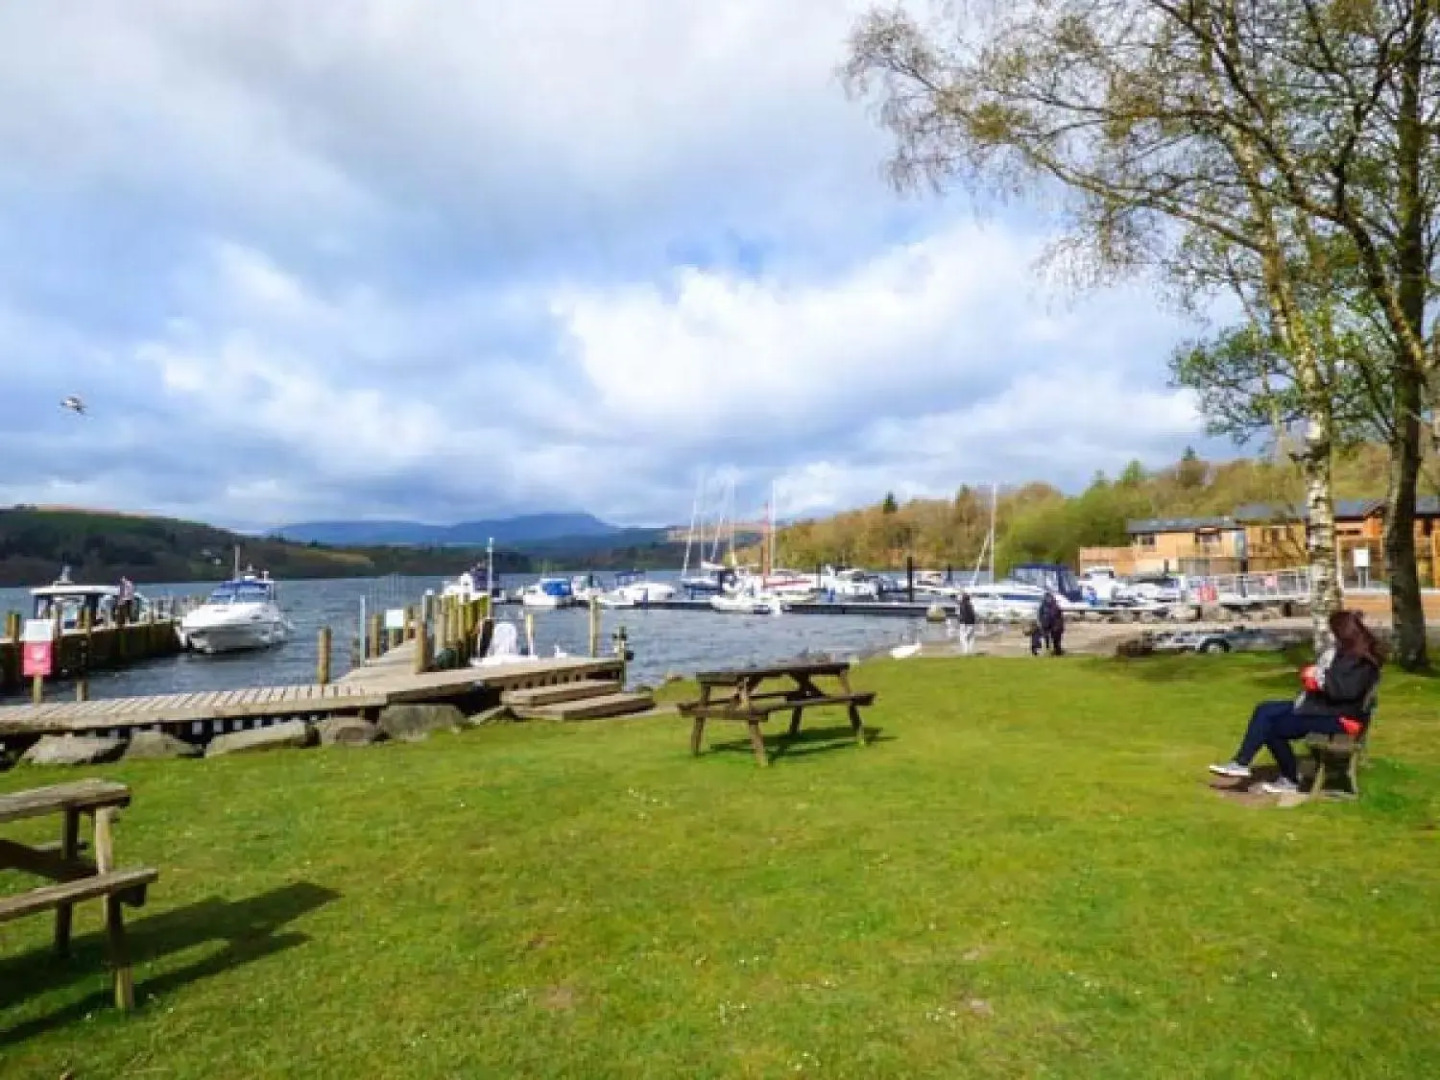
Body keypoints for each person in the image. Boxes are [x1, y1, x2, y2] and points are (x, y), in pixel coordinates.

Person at [1209, 610, 1382, 795]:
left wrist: (1316, 679)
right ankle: (1242, 763)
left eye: (1333, 631)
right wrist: (1318, 676)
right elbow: (1338, 684)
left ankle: (1285, 777)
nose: (1331, 636)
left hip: (1340, 718)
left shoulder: (1359, 660)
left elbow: (1343, 692)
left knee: (1270, 727)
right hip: (1328, 708)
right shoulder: (1350, 653)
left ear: (1343, 632)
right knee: (1265, 710)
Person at [1038, 589, 1065, 655]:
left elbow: (1060, 617)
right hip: (1046, 625)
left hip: (1056, 625)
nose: (1048, 599)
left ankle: (1057, 651)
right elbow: (1039, 616)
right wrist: (1041, 623)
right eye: (1047, 598)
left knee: (1056, 640)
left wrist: (1058, 626)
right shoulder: (1042, 606)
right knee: (1046, 638)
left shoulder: (1056, 606)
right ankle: (1048, 650)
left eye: (1049, 597)